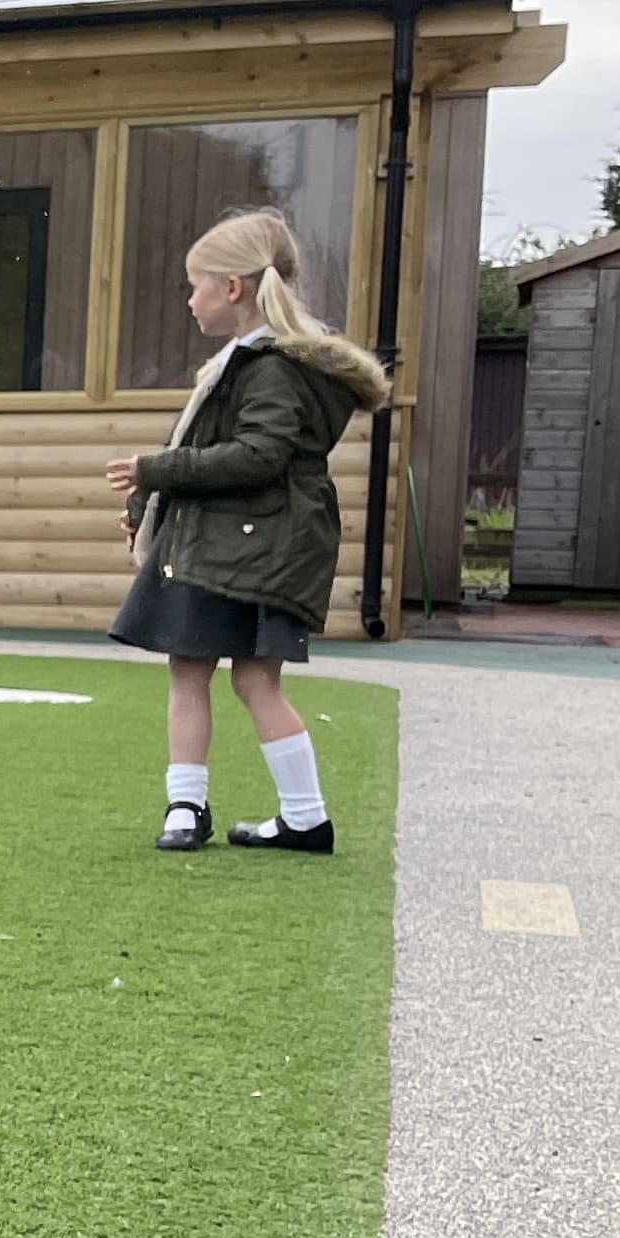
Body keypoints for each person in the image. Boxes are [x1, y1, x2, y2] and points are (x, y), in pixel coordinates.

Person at [102, 206, 388, 855]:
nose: (189, 298)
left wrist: (154, 469)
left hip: (252, 544)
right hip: (257, 542)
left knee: (200, 672)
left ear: (233, 289)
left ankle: (191, 809)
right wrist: (148, 501)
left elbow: (257, 456)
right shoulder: (259, 364)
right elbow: (217, 446)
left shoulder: (268, 368)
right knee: (239, 677)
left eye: (196, 283)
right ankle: (295, 818)